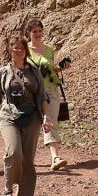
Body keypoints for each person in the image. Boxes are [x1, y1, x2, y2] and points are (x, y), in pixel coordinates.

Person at [0, 35, 51, 196]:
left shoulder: (34, 72)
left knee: (28, 158)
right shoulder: (1, 72)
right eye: (15, 47)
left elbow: (42, 96)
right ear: (9, 50)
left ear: (25, 50)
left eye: (21, 47)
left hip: (32, 118)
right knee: (14, 152)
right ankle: (8, 189)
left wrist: (46, 117)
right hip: (8, 116)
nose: (18, 50)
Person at [25, 19, 72, 171]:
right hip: (31, 91)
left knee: (50, 121)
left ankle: (54, 157)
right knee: (31, 124)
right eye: (34, 31)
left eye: (40, 31)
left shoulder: (49, 50)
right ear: (28, 33)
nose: (38, 34)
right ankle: (26, 156)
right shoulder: (23, 49)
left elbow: (50, 69)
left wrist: (61, 68)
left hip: (51, 89)